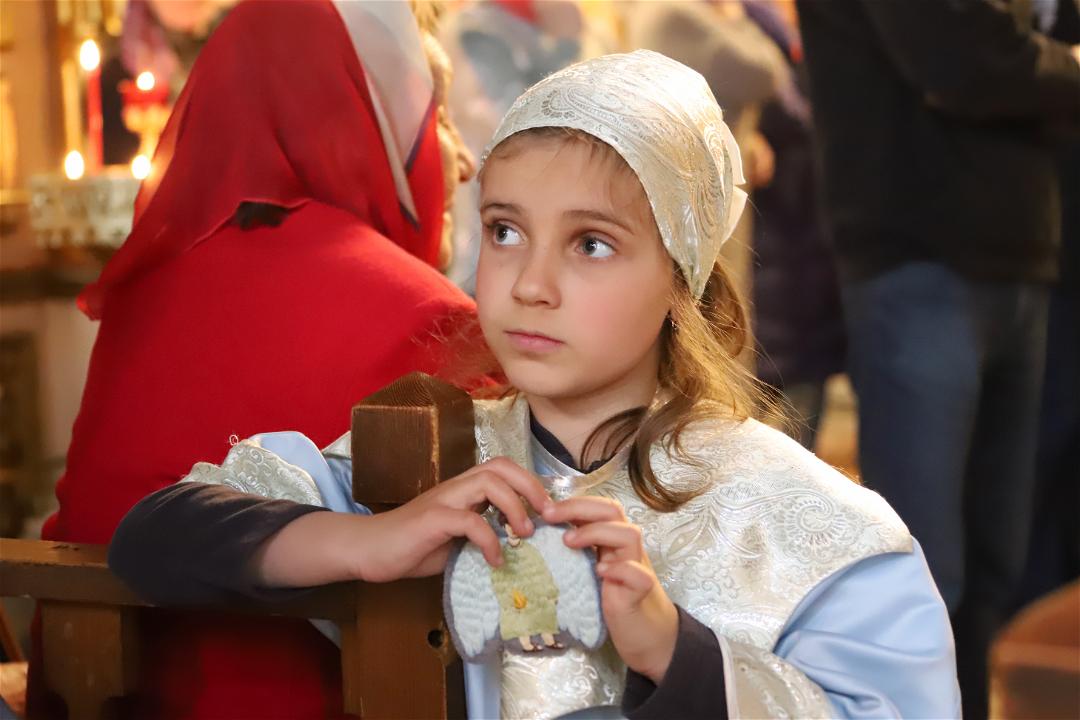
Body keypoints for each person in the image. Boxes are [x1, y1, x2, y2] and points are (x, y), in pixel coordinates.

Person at [110, 51, 960, 718]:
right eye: (505, 231)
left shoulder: (813, 530)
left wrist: (675, 651)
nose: (529, 284)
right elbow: (153, 537)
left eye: (591, 244)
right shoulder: (431, 463)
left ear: (681, 281)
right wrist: (367, 542)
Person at [34, 1, 478, 718]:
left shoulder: (146, 289)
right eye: (440, 119)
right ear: (367, 117)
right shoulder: (435, 319)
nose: (462, 160)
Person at [795, 1, 1080, 716]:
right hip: (917, 252)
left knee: (994, 564)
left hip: (1021, 253)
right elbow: (962, 62)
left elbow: (1020, 52)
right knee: (921, 574)